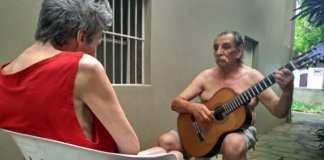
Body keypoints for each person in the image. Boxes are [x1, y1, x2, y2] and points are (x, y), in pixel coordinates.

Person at [0, 0, 139, 154]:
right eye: (97, 43)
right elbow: (130, 147)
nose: (95, 51)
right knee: (169, 153)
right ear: (81, 36)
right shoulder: (84, 68)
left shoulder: (5, 74)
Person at [141, 30, 294, 160]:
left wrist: (287, 91)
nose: (218, 51)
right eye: (216, 47)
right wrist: (192, 107)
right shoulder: (205, 76)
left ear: (239, 50)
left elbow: (278, 111)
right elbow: (175, 103)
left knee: (232, 144)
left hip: (240, 130)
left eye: (225, 47)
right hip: (204, 128)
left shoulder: (254, 78)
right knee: (166, 141)